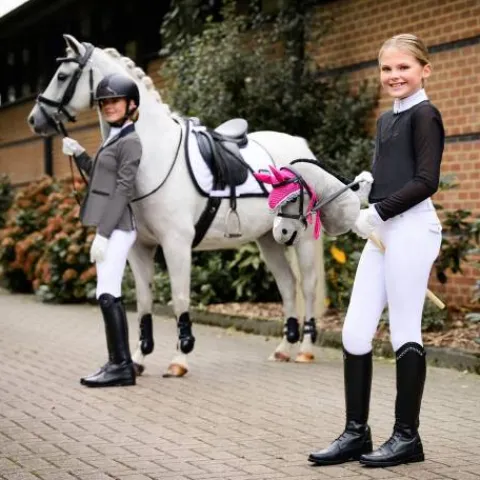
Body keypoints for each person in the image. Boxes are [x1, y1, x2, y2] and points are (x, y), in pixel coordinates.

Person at [309, 34, 444, 468]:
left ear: (424, 70)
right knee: (354, 332)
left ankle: (407, 438)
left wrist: (379, 210)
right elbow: (394, 175)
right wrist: (368, 192)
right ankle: (356, 432)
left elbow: (426, 181)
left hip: (414, 229)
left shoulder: (426, 114)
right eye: (387, 68)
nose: (394, 76)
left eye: (404, 67)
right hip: (384, 231)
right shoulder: (387, 120)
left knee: (405, 330)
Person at [62, 73, 142, 388]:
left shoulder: (131, 142)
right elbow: (101, 175)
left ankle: (120, 367)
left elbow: (122, 190)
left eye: (115, 101)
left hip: (118, 227)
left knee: (108, 293)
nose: (108, 106)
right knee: (106, 292)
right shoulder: (115, 136)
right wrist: (79, 153)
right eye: (104, 102)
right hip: (113, 226)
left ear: (131, 104)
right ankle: (118, 362)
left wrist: (104, 233)